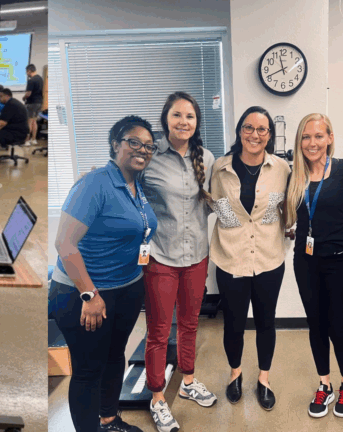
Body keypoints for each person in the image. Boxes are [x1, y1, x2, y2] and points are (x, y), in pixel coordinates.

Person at [51, 116, 158, 432]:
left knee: (114, 357)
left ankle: (109, 420)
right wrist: (90, 294)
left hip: (126, 287)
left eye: (148, 146)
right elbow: (64, 243)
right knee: (88, 370)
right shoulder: (94, 184)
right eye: (133, 142)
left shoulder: (136, 185)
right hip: (84, 294)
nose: (142, 150)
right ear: (115, 144)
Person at [140, 92, 216, 432]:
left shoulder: (207, 157)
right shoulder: (149, 155)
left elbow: (214, 202)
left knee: (190, 323)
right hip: (160, 256)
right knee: (159, 331)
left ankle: (188, 381)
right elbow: (129, 195)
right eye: (177, 115)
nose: (183, 121)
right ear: (165, 119)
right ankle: (157, 397)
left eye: (190, 116)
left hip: (197, 255)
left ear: (197, 122)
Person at [209, 106, 290, 411]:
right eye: (248, 127)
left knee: (266, 322)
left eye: (262, 129)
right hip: (231, 257)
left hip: (269, 258)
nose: (255, 134)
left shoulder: (281, 168)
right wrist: (236, 227)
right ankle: (235, 374)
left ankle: (264, 379)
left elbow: (285, 207)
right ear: (239, 131)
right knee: (233, 323)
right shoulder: (220, 167)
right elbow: (218, 206)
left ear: (269, 135)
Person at [284, 113, 343, 418]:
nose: (312, 143)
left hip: (339, 262)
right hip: (305, 261)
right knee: (316, 324)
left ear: (329, 138)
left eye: (318, 136)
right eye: (306, 136)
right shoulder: (294, 175)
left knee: (339, 326)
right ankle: (324, 384)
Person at [23, 64, 44, 146]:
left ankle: (27, 141)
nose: (26, 74)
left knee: (29, 121)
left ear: (29, 71)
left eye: (26, 72)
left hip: (32, 103)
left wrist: (24, 97)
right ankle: (33, 139)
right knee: (34, 121)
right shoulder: (40, 79)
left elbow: (28, 93)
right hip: (39, 102)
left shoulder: (31, 80)